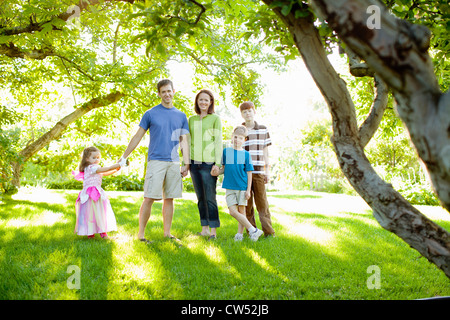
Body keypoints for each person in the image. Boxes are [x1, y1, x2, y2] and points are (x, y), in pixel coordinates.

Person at [119, 79, 190, 243]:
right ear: (159, 94)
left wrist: (186, 163)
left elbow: (184, 141)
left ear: (174, 92)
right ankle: (141, 235)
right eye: (163, 91)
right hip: (156, 161)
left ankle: (167, 233)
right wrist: (124, 156)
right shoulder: (150, 113)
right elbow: (138, 136)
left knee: (169, 198)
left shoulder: (181, 116)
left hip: (173, 162)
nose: (167, 94)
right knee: (149, 198)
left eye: (169, 91)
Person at [212, 126, 264, 241]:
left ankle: (239, 235)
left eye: (240, 138)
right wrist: (217, 172)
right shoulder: (226, 152)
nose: (237, 140)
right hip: (229, 186)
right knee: (232, 211)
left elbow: (249, 173)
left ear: (244, 140)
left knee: (241, 211)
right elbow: (224, 169)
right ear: (231, 137)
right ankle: (253, 230)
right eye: (235, 137)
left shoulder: (246, 154)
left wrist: (248, 189)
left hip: (242, 187)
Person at [188, 89, 222, 240]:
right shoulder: (191, 120)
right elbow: (187, 142)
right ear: (197, 102)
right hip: (194, 164)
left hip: (209, 163)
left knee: (210, 197)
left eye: (206, 100)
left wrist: (218, 164)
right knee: (200, 198)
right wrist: (186, 162)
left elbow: (218, 141)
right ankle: (204, 229)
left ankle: (213, 232)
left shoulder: (215, 118)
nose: (203, 102)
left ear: (211, 102)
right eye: (200, 100)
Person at [240, 101, 275, 237]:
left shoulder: (263, 129)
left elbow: (266, 153)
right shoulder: (240, 130)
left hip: (259, 171)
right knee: (247, 204)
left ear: (254, 111)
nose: (247, 113)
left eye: (249, 110)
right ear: (242, 115)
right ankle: (252, 231)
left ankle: (268, 232)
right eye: (244, 111)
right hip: (244, 173)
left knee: (262, 203)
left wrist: (267, 171)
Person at [73, 146, 123, 239]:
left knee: (98, 213)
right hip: (90, 195)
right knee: (92, 213)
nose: (96, 159)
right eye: (94, 157)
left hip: (95, 193)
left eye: (98, 157)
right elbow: (104, 169)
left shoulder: (93, 167)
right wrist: (117, 165)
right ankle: (92, 233)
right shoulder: (92, 167)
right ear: (87, 159)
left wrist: (115, 169)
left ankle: (100, 232)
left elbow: (105, 172)